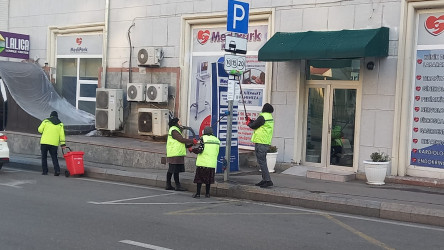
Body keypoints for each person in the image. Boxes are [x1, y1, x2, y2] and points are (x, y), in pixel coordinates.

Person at [246, 103, 275, 188]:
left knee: (262, 162)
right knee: (262, 161)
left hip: (261, 142)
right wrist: (250, 121)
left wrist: (248, 123)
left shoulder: (263, 116)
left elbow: (254, 125)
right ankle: (264, 179)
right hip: (265, 142)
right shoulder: (269, 116)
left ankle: (268, 180)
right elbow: (257, 123)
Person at [166, 117, 196, 191]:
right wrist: (192, 141)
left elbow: (179, 142)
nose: (181, 124)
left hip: (175, 152)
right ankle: (177, 186)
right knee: (175, 170)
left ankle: (168, 185)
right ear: (176, 123)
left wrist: (188, 146)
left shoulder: (175, 130)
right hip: (175, 153)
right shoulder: (174, 130)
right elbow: (181, 139)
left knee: (171, 169)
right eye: (179, 122)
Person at [189, 126, 220, 198]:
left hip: (203, 162)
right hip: (211, 163)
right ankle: (207, 194)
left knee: (199, 179)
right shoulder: (217, 140)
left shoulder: (203, 138)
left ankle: (198, 193)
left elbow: (200, 149)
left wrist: (192, 150)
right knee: (208, 180)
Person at [38, 111, 66, 176]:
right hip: (54, 143)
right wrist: (63, 144)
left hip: (44, 142)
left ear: (51, 116)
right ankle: (57, 171)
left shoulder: (45, 121)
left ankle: (45, 171)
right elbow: (62, 135)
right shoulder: (60, 124)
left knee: (44, 157)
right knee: (54, 157)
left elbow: (40, 130)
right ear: (57, 116)